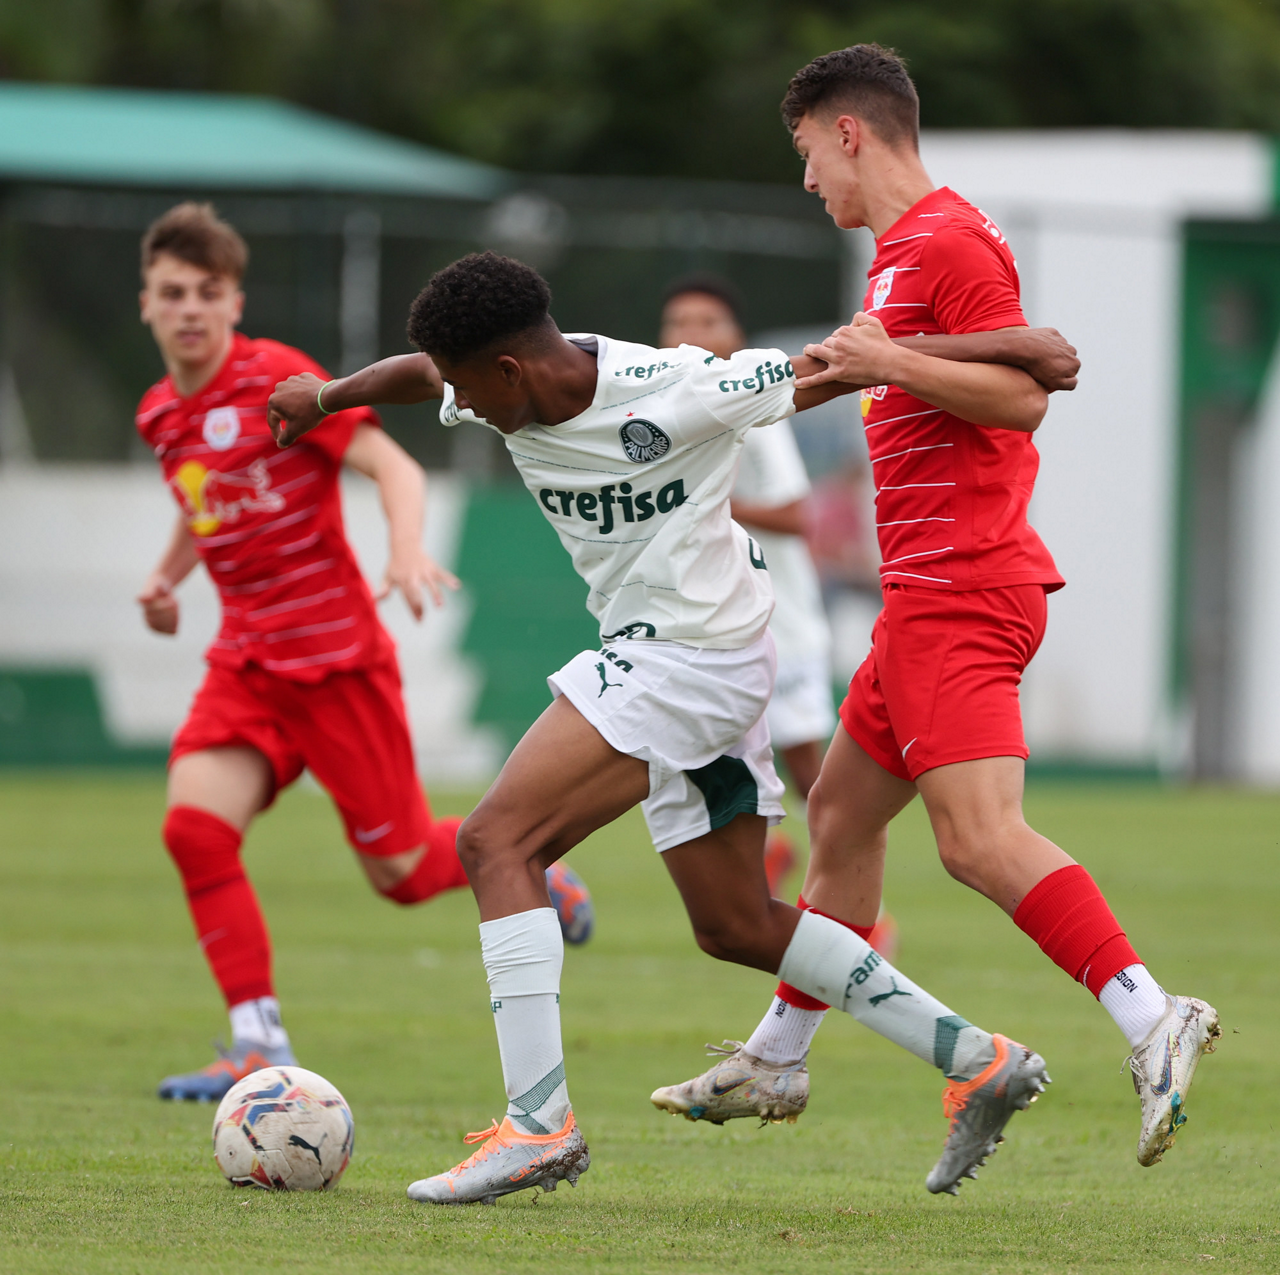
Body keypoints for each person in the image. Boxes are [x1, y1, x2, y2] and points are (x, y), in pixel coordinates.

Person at [268, 250, 1082, 1202]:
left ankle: (538, 1126)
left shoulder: (682, 387)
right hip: (702, 663)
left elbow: (845, 363)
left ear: (510, 370)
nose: (461, 403)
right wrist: (325, 397)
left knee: (496, 841)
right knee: (735, 923)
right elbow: (417, 375)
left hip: (687, 660)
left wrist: (1010, 344)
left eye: (468, 385)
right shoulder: (491, 380)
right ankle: (978, 1058)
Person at [652, 44, 1219, 1173]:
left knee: (977, 841)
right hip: (924, 595)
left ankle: (1153, 1015)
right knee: (840, 820)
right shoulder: (898, 257)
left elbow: (1020, 401)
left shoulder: (947, 241)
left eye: (806, 153)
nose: (807, 180)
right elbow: (904, 366)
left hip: (960, 588)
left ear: (848, 132)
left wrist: (891, 363)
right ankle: (777, 1056)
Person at [134, 204, 593, 1104]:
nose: (189, 309)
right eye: (172, 293)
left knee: (403, 874)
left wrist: (406, 548)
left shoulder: (274, 376)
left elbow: (395, 466)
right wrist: (165, 576)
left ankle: (546, 870)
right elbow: (204, 501)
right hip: (245, 665)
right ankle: (255, 1041)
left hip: (335, 661)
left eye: (207, 292)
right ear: (145, 304)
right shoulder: (160, 412)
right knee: (193, 830)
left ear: (234, 303)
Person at [658, 274, 854, 905]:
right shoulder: (666, 409)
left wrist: (711, 503)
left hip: (779, 621)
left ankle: (856, 903)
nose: (690, 334)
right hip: (717, 623)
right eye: (677, 322)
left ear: (736, 337)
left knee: (807, 772)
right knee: (710, 760)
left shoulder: (750, 408)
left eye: (706, 321)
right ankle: (766, 861)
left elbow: (797, 514)